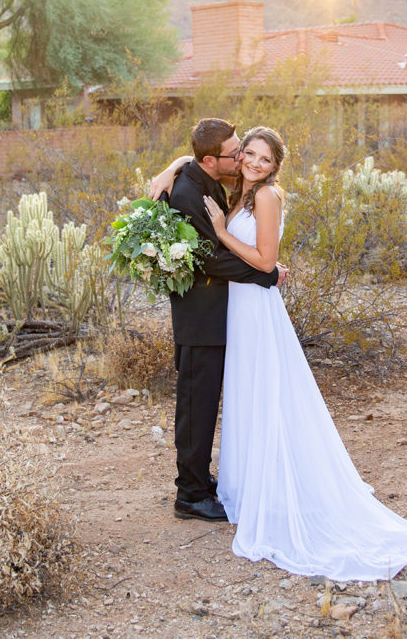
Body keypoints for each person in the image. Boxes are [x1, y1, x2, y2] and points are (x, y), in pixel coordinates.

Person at [161, 125, 407, 581]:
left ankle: (273, 482)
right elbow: (197, 162)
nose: (252, 162)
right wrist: (171, 167)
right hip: (235, 310)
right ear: (232, 157)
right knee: (245, 394)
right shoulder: (236, 191)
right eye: (247, 153)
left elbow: (265, 261)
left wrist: (223, 233)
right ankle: (243, 483)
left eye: (264, 159)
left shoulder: (265, 197)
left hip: (255, 308)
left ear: (275, 166)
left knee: (266, 392)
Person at [156, 118, 286, 523]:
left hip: (221, 315)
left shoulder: (209, 179)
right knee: (196, 408)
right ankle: (190, 494)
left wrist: (175, 162)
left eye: (246, 149)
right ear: (212, 160)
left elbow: (195, 161)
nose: (243, 157)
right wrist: (266, 274)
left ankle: (202, 480)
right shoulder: (187, 194)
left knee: (207, 404)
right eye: (238, 152)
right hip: (200, 320)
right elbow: (208, 259)